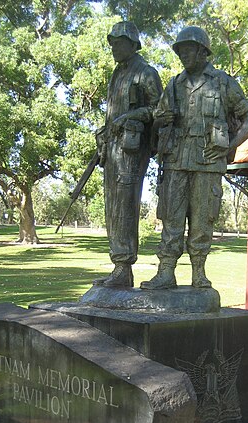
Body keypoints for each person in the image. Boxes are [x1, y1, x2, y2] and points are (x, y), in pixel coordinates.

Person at [141, 26, 248, 290]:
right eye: (180, 50)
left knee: (203, 221)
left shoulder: (223, 82)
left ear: (203, 51)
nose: (183, 55)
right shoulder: (173, 84)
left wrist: (229, 148)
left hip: (208, 163)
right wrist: (161, 121)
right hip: (175, 161)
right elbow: (156, 123)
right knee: (171, 218)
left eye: (188, 49)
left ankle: (199, 274)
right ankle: (166, 272)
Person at [94, 22, 162, 288]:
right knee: (112, 205)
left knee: (124, 205)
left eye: (119, 43)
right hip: (112, 148)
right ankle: (118, 267)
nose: (114, 48)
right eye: (112, 43)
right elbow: (113, 114)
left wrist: (131, 116)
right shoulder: (117, 74)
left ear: (133, 45)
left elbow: (160, 110)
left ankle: (124, 266)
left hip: (132, 150)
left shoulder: (145, 73)